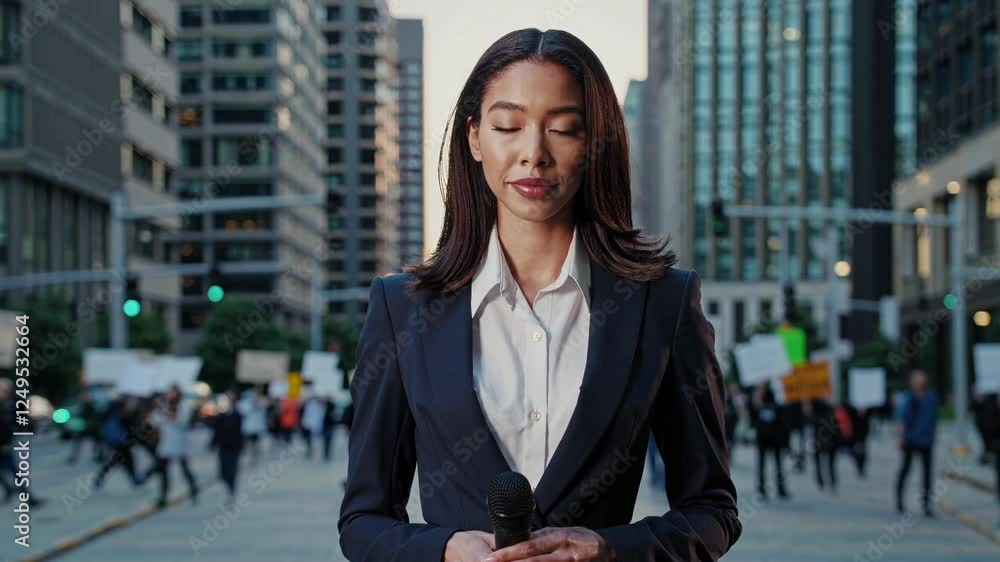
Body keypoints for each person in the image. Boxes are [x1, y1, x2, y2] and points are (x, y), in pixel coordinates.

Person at [337, 29, 741, 562]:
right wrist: (442, 550)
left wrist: (610, 549)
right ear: (475, 138)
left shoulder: (661, 303)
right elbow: (363, 523)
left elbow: (712, 511)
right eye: (508, 126)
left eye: (564, 129)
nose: (534, 154)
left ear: (595, 144)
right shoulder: (403, 308)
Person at [145, 386, 199, 508]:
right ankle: (163, 497)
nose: (170, 396)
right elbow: (152, 422)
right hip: (166, 444)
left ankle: (194, 490)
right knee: (162, 471)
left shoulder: (184, 407)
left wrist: (170, 414)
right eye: (169, 393)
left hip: (180, 444)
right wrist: (155, 409)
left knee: (185, 470)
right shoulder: (163, 407)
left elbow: (183, 422)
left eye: (173, 393)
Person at [895, 369, 938, 517]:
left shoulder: (930, 398)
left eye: (921, 378)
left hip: (926, 440)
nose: (918, 381)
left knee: (927, 473)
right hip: (910, 439)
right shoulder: (907, 398)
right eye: (916, 378)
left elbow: (934, 419)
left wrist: (933, 436)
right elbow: (901, 420)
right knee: (905, 469)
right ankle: (899, 501)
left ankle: (926, 504)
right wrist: (900, 438)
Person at [749, 384, 789, 501]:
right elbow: (752, 410)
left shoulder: (776, 391)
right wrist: (758, 394)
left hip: (776, 436)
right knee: (761, 463)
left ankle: (781, 488)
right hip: (762, 436)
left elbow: (783, 411)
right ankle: (761, 489)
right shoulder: (757, 393)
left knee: (779, 464)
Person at [211, 390, 244, 504]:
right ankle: (228, 486)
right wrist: (213, 443)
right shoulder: (221, 415)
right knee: (223, 471)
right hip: (223, 446)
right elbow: (217, 431)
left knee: (232, 470)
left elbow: (240, 431)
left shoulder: (238, 414)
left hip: (234, 447)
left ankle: (232, 490)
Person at [238, 388, 268, 465]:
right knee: (246, 446)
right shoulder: (243, 403)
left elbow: (266, 408)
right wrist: (253, 404)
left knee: (256, 446)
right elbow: (243, 412)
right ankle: (246, 458)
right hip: (247, 429)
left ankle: (254, 459)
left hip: (257, 429)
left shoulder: (262, 402)